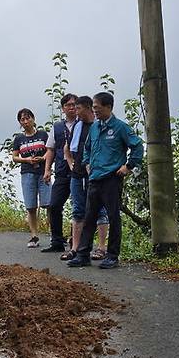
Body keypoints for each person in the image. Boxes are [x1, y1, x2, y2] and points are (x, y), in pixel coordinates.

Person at [68, 92, 143, 268]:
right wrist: (87, 163)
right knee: (89, 216)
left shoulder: (120, 127)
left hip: (112, 178)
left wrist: (128, 166)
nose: (94, 111)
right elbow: (87, 148)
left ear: (108, 107)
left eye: (97, 107)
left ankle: (112, 256)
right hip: (94, 178)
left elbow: (138, 146)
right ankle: (83, 254)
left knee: (113, 216)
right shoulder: (94, 127)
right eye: (93, 108)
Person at [61, 95, 110, 261]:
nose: (75, 111)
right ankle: (75, 248)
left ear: (88, 108)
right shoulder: (76, 126)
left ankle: (101, 247)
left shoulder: (98, 126)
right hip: (77, 174)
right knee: (77, 210)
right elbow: (67, 147)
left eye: (78, 108)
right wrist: (70, 162)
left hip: (95, 175)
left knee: (100, 210)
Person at [41, 94, 78, 253]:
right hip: (62, 172)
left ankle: (75, 241)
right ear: (62, 108)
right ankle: (56, 241)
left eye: (75, 104)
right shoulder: (56, 127)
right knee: (54, 205)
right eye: (68, 105)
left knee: (79, 208)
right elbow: (50, 150)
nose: (72, 107)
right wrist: (47, 170)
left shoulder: (85, 124)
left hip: (80, 172)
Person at [12, 108, 50, 248]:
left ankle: (54, 234)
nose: (26, 121)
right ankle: (34, 236)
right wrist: (27, 160)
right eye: (22, 119)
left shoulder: (43, 134)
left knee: (49, 204)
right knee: (31, 206)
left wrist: (43, 158)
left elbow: (50, 151)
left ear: (33, 119)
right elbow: (15, 157)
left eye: (28, 118)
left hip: (43, 172)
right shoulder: (19, 139)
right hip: (27, 173)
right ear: (20, 123)